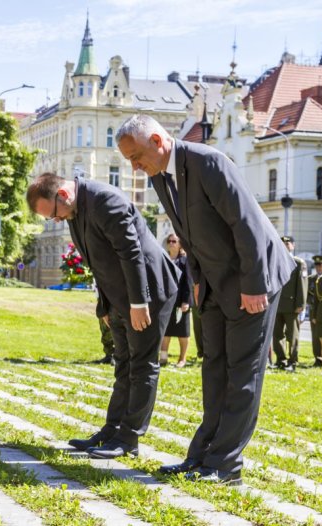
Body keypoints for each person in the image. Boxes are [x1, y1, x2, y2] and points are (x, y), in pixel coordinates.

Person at [117, 114, 293, 486]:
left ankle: (226, 465)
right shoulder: (160, 177)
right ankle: (201, 456)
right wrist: (196, 282)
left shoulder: (209, 162)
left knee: (242, 373)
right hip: (213, 283)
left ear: (157, 140)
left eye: (135, 156)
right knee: (213, 369)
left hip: (252, 279)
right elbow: (189, 234)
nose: (134, 166)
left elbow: (246, 224)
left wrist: (255, 284)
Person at [27, 172, 179, 459]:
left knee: (142, 366)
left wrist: (138, 303)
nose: (56, 221)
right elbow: (98, 263)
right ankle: (112, 431)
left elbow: (131, 254)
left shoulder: (105, 200)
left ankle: (129, 439)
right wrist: (105, 308)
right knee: (123, 363)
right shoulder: (74, 213)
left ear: (63, 195)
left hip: (148, 294)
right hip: (121, 298)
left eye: (54, 215)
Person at [271, 236, 308, 371]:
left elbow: (302, 285)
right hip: (277, 304)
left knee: (292, 335)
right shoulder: (274, 261)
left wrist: (301, 305)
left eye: (287, 243)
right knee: (277, 334)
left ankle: (293, 361)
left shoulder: (298, 263)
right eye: (282, 243)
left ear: (293, 245)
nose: (285, 245)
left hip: (292, 305)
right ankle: (280, 360)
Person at [160, 234, 191, 367]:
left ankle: (182, 359)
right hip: (166, 301)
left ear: (180, 244)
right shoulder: (163, 258)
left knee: (182, 332)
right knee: (165, 330)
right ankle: (163, 357)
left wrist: (186, 300)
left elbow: (188, 282)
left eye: (174, 241)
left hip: (180, 301)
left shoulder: (184, 261)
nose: (171, 243)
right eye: (169, 241)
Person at [307, 255, 322, 367]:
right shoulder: (311, 279)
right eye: (317, 265)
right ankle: (318, 358)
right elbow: (307, 294)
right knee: (315, 336)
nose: (319, 268)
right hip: (314, 311)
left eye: (321, 265)